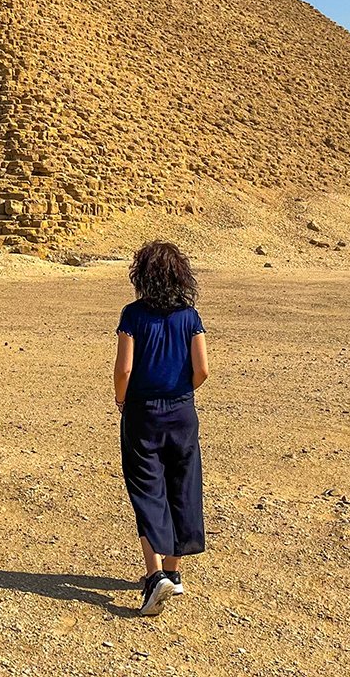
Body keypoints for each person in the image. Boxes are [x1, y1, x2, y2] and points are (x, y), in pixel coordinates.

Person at [113, 240, 209, 616]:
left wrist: (122, 400)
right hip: (182, 412)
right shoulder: (190, 316)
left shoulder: (133, 315)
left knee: (147, 489)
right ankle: (174, 571)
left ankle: (155, 577)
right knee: (181, 486)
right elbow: (202, 370)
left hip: (143, 413)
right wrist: (180, 393)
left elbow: (124, 369)